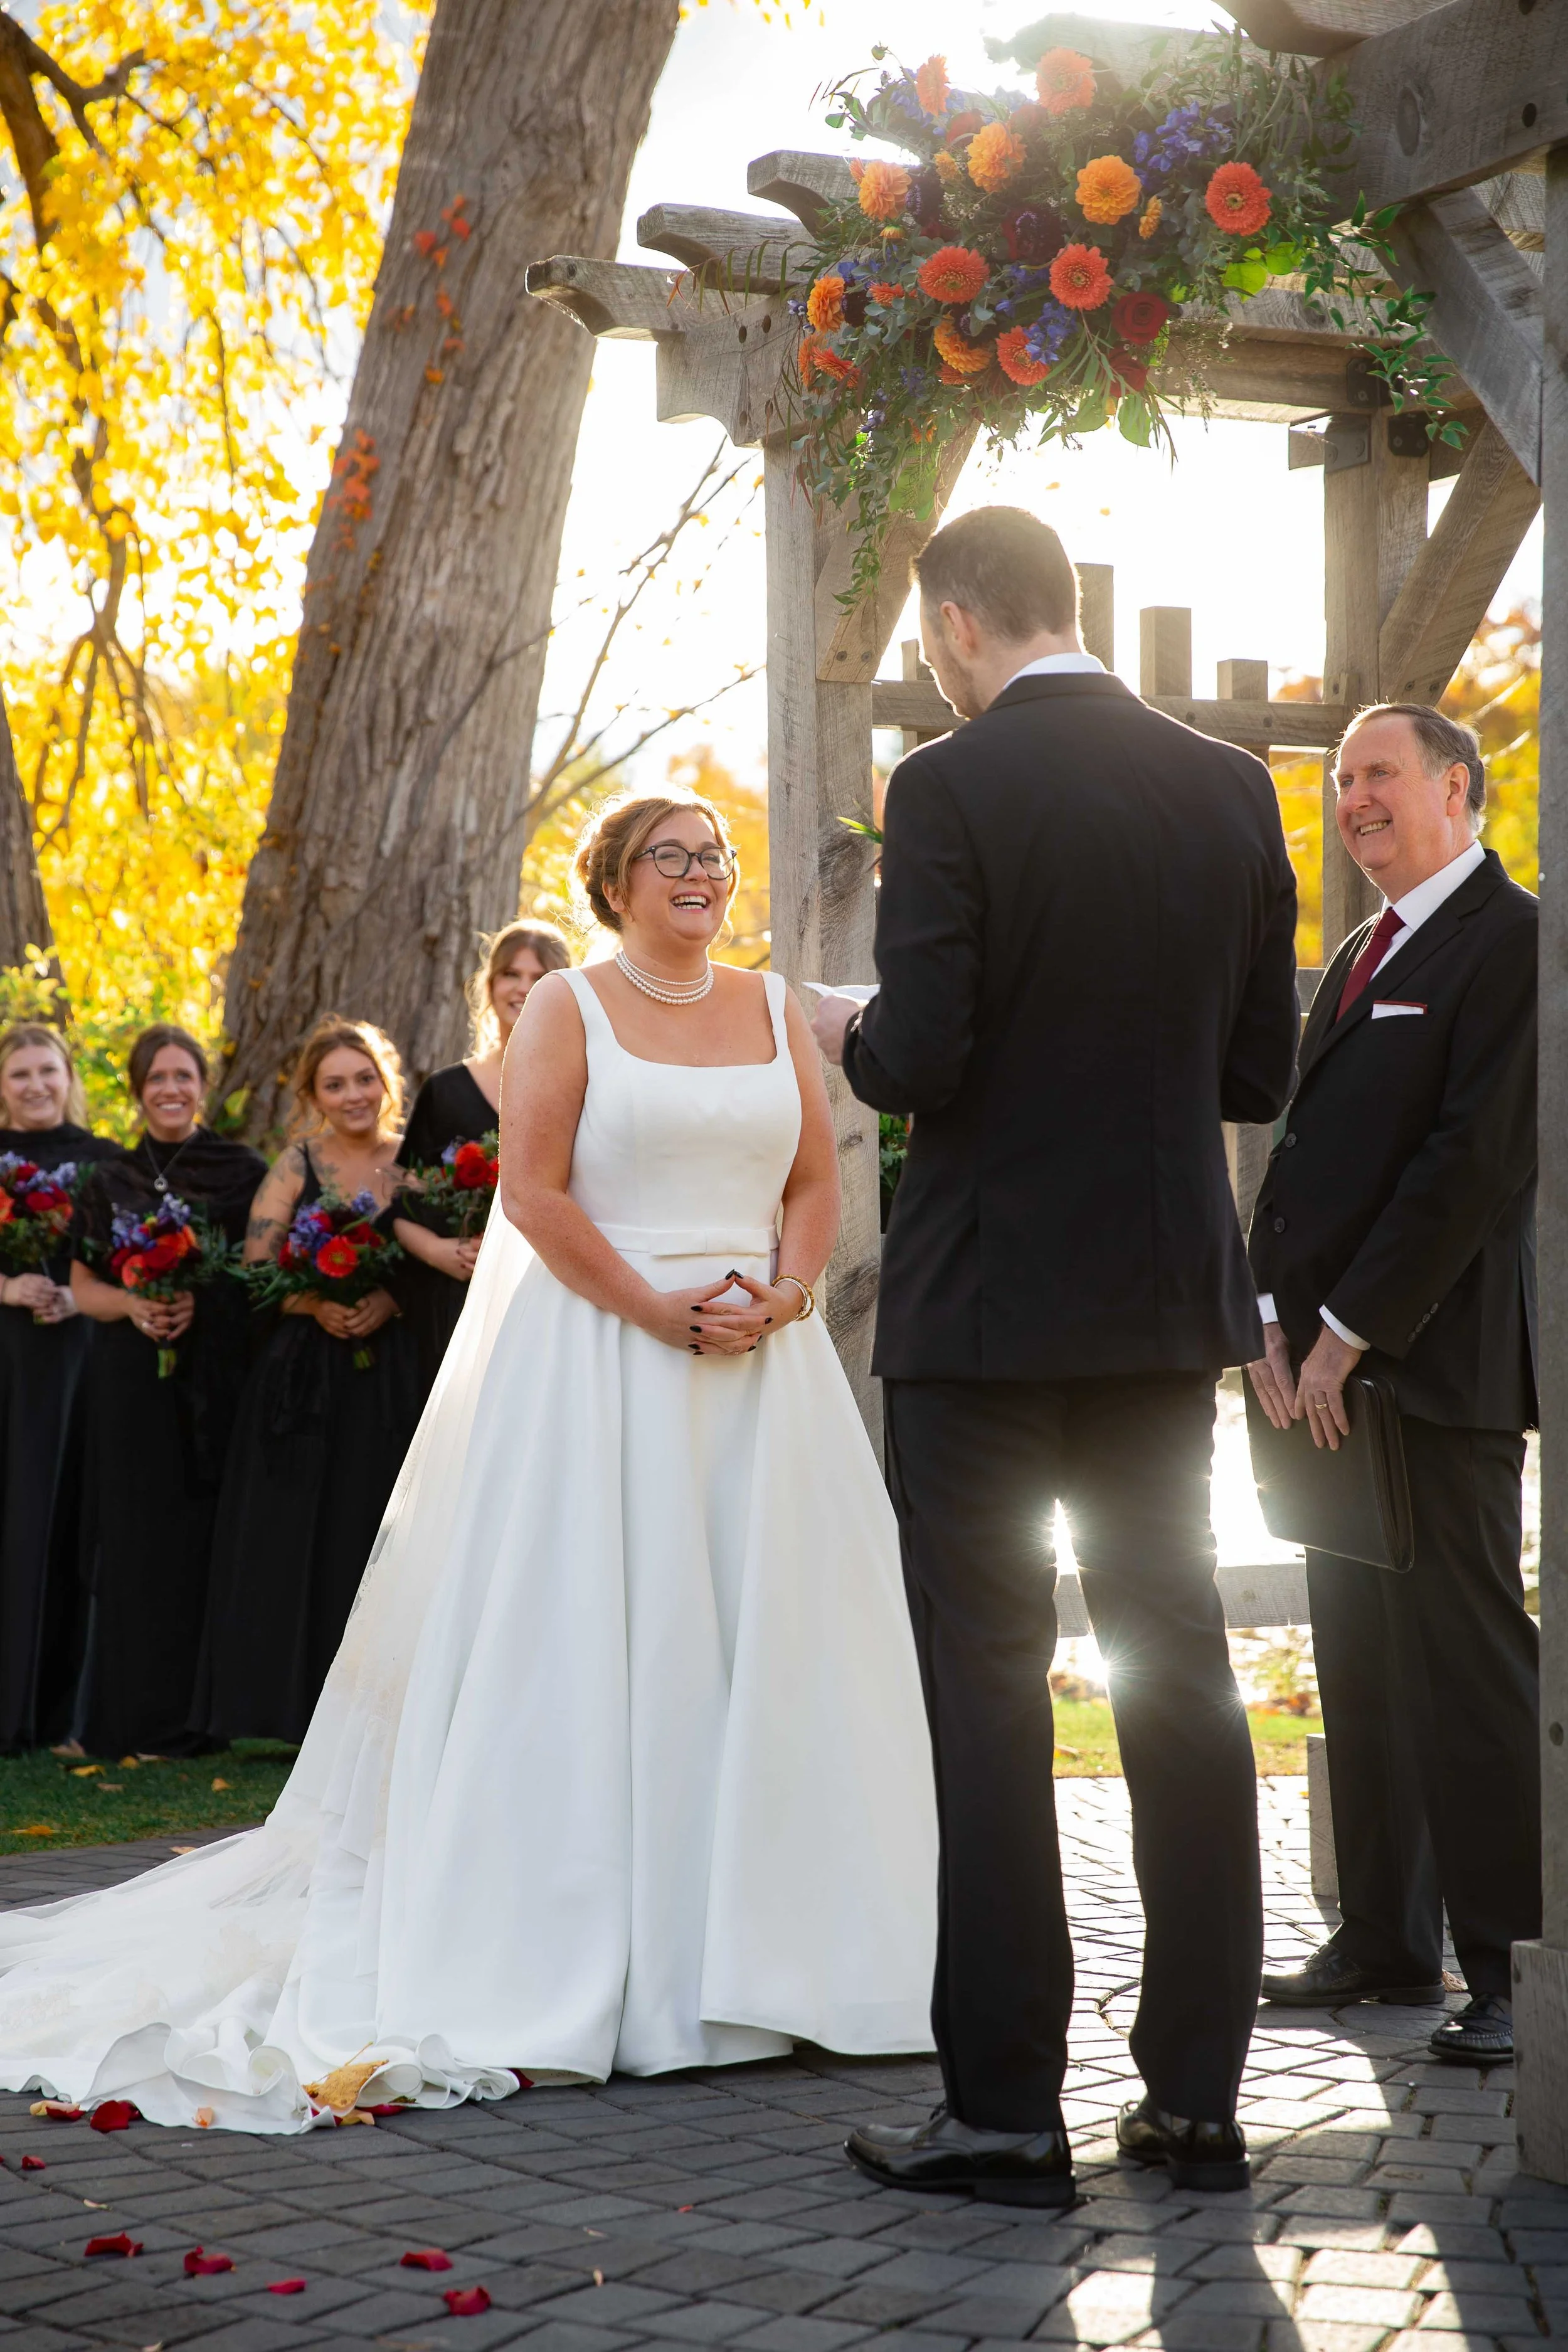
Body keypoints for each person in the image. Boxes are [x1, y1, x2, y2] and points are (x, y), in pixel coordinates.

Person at [0, 792, 936, 2134]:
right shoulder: (571, 1009)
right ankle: (608, 1951)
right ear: (614, 884)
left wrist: (783, 1300)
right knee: (603, 1642)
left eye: (714, 857)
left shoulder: (774, 1006)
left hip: (759, 1364)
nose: (698, 873)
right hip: (609, 1356)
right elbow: (537, 1195)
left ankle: (787, 1953)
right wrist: (655, 1309)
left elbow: (809, 1181)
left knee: (775, 1645)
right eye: (667, 855)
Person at [812, 505, 1300, 2203]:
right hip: (1164, 1304)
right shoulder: (1230, 785)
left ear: (953, 625)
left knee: (986, 1694)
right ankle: (1195, 2099)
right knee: (1182, 1683)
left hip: (987, 1318)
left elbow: (919, 1050)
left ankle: (1009, 2108)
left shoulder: (947, 789)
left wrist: (849, 1036)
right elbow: (1255, 1067)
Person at [1249, 704, 1539, 2066]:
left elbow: (1471, 1163)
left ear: (1454, 790)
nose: (1351, 797)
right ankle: (1383, 1939)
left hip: (1432, 1365)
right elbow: (1303, 1156)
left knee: (1469, 1670)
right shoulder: (1360, 947)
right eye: (1337, 779)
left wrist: (1347, 1331)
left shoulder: (1515, 939)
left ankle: (1515, 1971)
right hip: (1313, 1375)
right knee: (1354, 1656)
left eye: (1376, 774)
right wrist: (1262, 1322)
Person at [193, 1019, 423, 1745]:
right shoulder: (298, 1163)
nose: (354, 1095)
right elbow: (255, 1266)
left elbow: (441, 1260)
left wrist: (388, 1299)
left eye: (364, 1079)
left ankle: (384, 1708)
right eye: (335, 1084)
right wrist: (314, 1300)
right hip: (305, 1379)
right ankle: (288, 1709)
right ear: (313, 1096)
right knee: (302, 1533)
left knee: (376, 1526)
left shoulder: (413, 1163)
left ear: (386, 1081)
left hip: (391, 1373)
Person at [66, 1027, 266, 1758]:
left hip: (213, 1381)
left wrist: (197, 1303)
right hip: (129, 1380)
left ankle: (197, 1722)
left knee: (200, 1540)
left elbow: (260, 1268)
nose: (171, 1089)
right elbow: (83, 1285)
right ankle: (126, 1719)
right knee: (131, 1539)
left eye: (184, 1075)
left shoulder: (241, 1168)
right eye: (157, 1078)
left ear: (203, 1085)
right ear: (137, 1089)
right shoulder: (108, 1178)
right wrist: (135, 1304)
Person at [0, 1026, 119, 1751]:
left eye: (48, 1070)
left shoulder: (104, 1160)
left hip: (80, 1358)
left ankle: (58, 1714)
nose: (36, 1084)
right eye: (20, 1074)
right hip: (9, 1355)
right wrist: (11, 1286)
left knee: (69, 1521)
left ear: (69, 1076)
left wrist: (77, 1296)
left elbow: (122, 1260)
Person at [395, 922, 571, 1391]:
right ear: (490, 984)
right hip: (455, 1302)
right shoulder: (445, 1090)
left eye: (540, 977)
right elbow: (400, 1204)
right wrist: (439, 1251)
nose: (522, 987)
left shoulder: (585, 1084)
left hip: (550, 1293)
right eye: (511, 974)